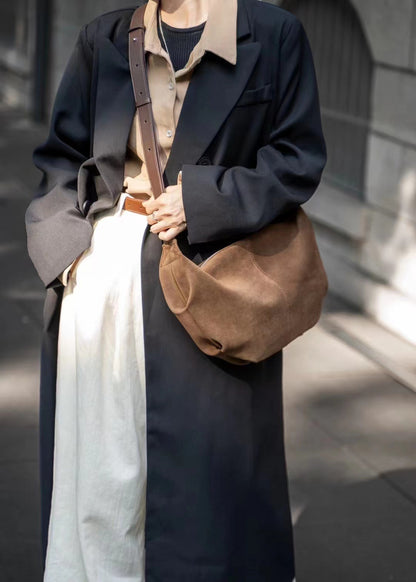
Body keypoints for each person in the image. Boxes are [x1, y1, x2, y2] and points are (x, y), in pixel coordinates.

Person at [25, 0, 327, 580]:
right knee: (102, 475)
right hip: (102, 280)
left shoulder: (274, 34)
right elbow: (60, 159)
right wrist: (67, 257)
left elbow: (297, 158)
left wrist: (207, 200)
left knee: (210, 486)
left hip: (216, 278)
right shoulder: (104, 37)